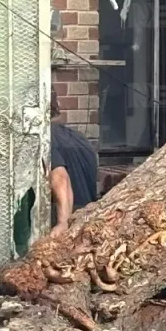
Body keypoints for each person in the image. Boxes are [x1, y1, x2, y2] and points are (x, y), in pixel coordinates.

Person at [48, 90, 99, 237]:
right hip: (87, 220)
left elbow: (60, 178)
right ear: (57, 105)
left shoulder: (45, 139)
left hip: (62, 223)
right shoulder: (80, 139)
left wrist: (62, 223)